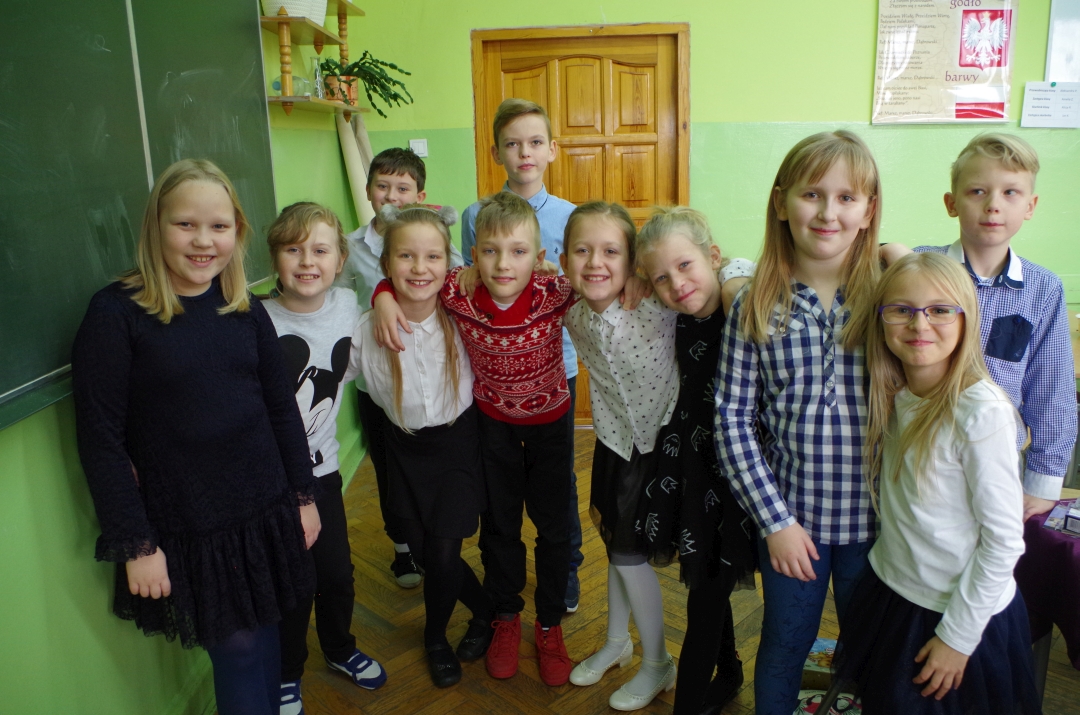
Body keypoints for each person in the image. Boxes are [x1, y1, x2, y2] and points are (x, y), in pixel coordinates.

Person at [71, 159, 321, 715]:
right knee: (238, 650)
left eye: (219, 226)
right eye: (186, 224)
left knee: (269, 632)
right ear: (156, 226)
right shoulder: (116, 314)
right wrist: (137, 545)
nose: (204, 241)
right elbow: (101, 439)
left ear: (237, 231)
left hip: (264, 506)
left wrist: (302, 497)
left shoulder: (243, 307)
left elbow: (280, 410)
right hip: (191, 523)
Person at [372, 191, 576, 686]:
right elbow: (408, 278)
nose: (503, 264)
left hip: (550, 427)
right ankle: (505, 615)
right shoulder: (456, 293)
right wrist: (381, 294)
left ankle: (549, 623)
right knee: (500, 527)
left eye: (518, 251)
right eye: (490, 251)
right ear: (472, 254)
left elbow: (609, 282)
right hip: (492, 429)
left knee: (554, 530)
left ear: (538, 256)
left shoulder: (556, 291)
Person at [714, 130, 881, 715]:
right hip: (793, 524)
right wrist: (774, 522)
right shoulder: (755, 302)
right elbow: (732, 419)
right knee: (785, 648)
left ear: (868, 211)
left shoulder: (890, 297)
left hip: (880, 526)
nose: (829, 212)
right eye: (812, 194)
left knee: (873, 653)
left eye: (846, 198)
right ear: (782, 203)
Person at [831, 252, 1040, 714]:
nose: (919, 324)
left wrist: (957, 639)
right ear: (881, 319)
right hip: (893, 595)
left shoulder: (981, 412)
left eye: (940, 310)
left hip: (958, 616)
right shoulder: (896, 394)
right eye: (902, 310)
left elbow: (1004, 542)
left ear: (966, 319)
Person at [354, 204, 493, 688]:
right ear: (386, 264)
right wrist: (381, 297)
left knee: (443, 553)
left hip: (457, 446)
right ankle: (487, 611)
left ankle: (435, 639)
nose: (419, 267)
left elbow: (511, 279)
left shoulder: (465, 316)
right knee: (422, 549)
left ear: (449, 262)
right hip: (403, 449)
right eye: (406, 256)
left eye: (432, 256)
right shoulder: (365, 330)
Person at [460, 99, 585, 613]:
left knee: (558, 482)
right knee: (501, 484)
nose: (524, 152)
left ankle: (567, 568)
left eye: (535, 142)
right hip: (495, 377)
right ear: (497, 153)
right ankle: (504, 589)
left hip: (557, 367)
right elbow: (469, 281)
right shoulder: (476, 216)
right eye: (512, 144)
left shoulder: (570, 216)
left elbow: (583, 280)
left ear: (552, 149)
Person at [262, 203, 387, 715]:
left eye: (320, 250)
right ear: (275, 258)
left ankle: (339, 647)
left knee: (336, 575)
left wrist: (384, 299)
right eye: (293, 249)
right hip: (272, 481)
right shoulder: (256, 320)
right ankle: (287, 671)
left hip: (323, 471)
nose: (307, 261)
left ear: (340, 261)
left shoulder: (347, 305)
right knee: (293, 582)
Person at [915, 132, 1076, 522]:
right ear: (952, 203)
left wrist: (1042, 483)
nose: (993, 205)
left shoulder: (1043, 289)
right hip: (919, 456)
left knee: (993, 552)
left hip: (998, 463)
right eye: (977, 191)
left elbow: (1051, 389)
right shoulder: (918, 268)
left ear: (1030, 206)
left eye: (1010, 193)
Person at [635, 207, 757, 715]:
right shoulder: (672, 317)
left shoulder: (741, 303)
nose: (677, 284)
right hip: (693, 469)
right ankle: (728, 671)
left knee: (706, 597)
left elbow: (754, 272)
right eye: (661, 278)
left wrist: (736, 274)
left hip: (744, 473)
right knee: (706, 581)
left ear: (713, 256)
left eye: (685, 266)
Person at [559, 202, 679, 710]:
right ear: (564, 259)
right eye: (582, 251)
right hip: (614, 444)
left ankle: (659, 662)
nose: (595, 263)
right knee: (617, 546)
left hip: (663, 446)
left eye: (611, 252)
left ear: (632, 262)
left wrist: (651, 276)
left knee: (631, 556)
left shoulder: (658, 301)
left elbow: (716, 270)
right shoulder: (569, 309)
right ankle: (617, 641)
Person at [337, 147, 464, 589]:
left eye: (403, 188)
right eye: (382, 186)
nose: (391, 195)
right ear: (368, 189)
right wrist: (380, 299)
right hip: (376, 378)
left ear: (419, 195)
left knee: (429, 475)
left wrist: (385, 292)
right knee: (389, 472)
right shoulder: (351, 246)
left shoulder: (432, 238)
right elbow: (338, 301)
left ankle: (435, 541)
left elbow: (454, 279)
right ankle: (403, 548)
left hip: (430, 370)